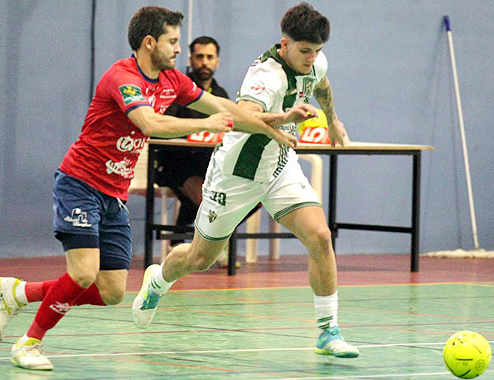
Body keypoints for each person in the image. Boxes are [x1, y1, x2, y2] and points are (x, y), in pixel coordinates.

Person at [0, 6, 298, 371]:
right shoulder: (122, 77)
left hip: (114, 195)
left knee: (111, 292)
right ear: (149, 42)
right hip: (80, 184)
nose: (178, 50)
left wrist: (268, 122)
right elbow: (148, 122)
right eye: (172, 41)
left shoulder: (172, 80)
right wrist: (208, 123)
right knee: (83, 273)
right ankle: (28, 343)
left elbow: (221, 104)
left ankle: (19, 292)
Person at [132, 2, 359, 359]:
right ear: (284, 45)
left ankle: (328, 331)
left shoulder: (315, 61)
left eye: (317, 51)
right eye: (304, 51)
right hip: (237, 175)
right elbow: (245, 116)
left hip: (279, 165)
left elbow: (323, 85)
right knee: (200, 258)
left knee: (319, 235)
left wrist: (332, 120)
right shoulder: (265, 75)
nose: (311, 59)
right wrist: (284, 116)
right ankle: (158, 280)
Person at [156, 36, 238, 267]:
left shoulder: (220, 94)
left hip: (209, 165)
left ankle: (182, 240)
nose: (204, 62)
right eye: (199, 56)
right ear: (191, 59)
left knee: (248, 199)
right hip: (175, 163)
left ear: (217, 61)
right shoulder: (178, 88)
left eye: (209, 57)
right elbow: (164, 126)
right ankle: (205, 246)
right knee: (205, 197)